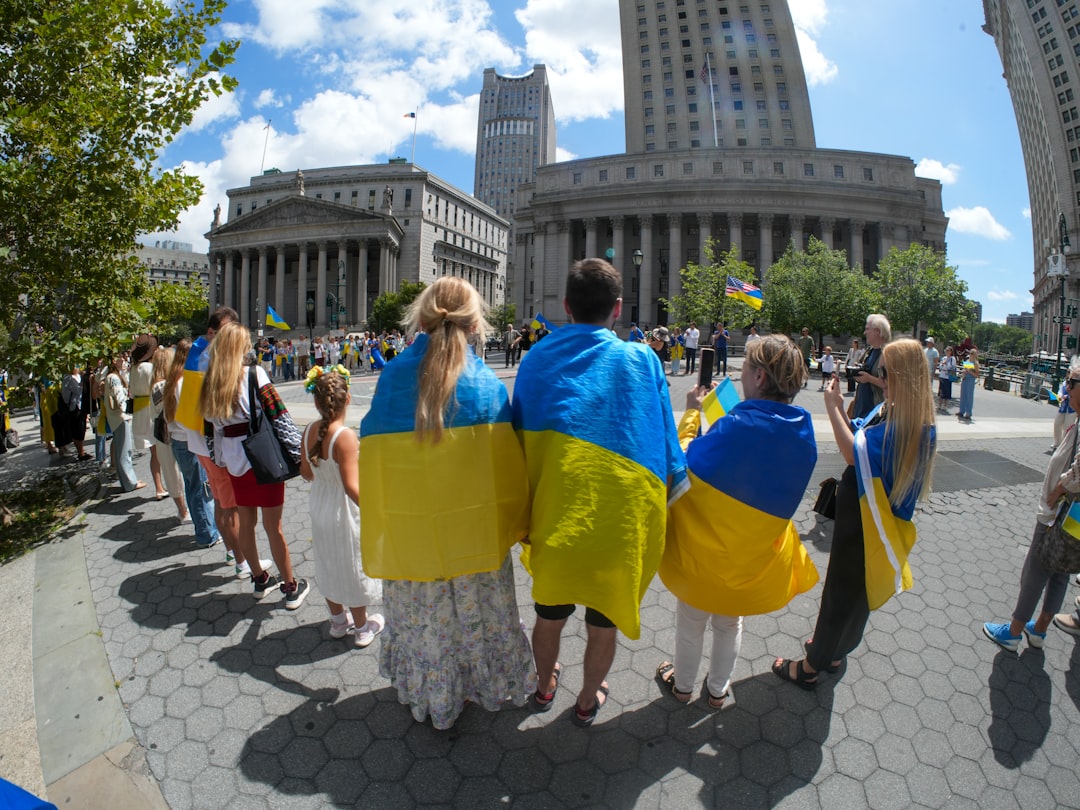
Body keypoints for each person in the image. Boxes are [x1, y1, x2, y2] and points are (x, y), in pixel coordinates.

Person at [513, 258, 687, 727]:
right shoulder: (642, 359)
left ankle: (544, 686)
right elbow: (663, 442)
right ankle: (588, 700)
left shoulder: (536, 360)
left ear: (566, 306)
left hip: (556, 517)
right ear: (618, 308)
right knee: (602, 625)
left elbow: (518, 447)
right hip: (618, 526)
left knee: (548, 616)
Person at [360, 277, 534, 730]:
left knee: (427, 626)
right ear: (476, 323)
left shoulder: (394, 375)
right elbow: (508, 474)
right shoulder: (487, 384)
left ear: (420, 318)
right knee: (476, 621)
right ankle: (480, 686)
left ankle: (430, 694)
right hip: (475, 544)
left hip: (414, 542)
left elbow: (375, 460)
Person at [657, 335, 818, 707]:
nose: (740, 373)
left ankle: (682, 687)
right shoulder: (804, 437)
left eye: (744, 366)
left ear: (759, 377)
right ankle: (717, 691)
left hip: (703, 559)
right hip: (750, 562)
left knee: (691, 624)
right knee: (730, 625)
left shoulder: (734, 426)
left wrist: (694, 413)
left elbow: (680, 465)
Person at [772, 338, 936, 689]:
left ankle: (811, 667)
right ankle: (834, 652)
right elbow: (862, 430)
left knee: (840, 594)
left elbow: (852, 452)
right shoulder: (912, 419)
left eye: (885, 373)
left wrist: (832, 406)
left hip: (865, 523)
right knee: (857, 596)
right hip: (878, 524)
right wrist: (847, 415)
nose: (880, 378)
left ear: (902, 378)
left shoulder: (903, 427)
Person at [202, 322, 308, 608]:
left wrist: (218, 459)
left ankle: (260, 580)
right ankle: (291, 586)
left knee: (247, 523)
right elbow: (279, 416)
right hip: (261, 457)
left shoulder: (210, 381)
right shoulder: (254, 374)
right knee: (275, 527)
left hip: (233, 460)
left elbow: (208, 430)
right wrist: (301, 454)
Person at [983, 359, 1080, 651]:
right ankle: (1038, 630)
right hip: (1073, 515)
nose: (1066, 389)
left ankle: (1012, 632)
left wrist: (1059, 488)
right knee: (1061, 567)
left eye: (1071, 383)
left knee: (1036, 568)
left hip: (1060, 510)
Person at [301, 365, 383, 648]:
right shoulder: (345, 436)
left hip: (320, 506)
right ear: (347, 399)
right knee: (351, 565)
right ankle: (362, 627)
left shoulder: (309, 430)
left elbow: (306, 473)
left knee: (327, 562)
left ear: (316, 401)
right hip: (343, 511)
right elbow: (351, 486)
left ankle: (338, 622)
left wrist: (324, 475)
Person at [163, 340, 220, 549]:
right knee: (201, 489)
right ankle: (207, 533)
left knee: (192, 486)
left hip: (178, 441)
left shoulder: (172, 382)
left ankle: (204, 528)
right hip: (189, 441)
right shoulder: (183, 383)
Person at [150, 347, 188, 522]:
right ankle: (184, 510)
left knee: (171, 472)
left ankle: (183, 510)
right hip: (169, 432)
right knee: (174, 472)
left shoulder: (157, 385)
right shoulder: (163, 385)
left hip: (163, 433)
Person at [130, 334, 166, 498]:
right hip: (150, 410)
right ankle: (160, 487)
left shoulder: (134, 369)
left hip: (139, 410)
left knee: (155, 453)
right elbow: (158, 386)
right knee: (159, 452)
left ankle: (159, 486)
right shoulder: (148, 368)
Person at [104, 354, 145, 492]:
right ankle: (130, 482)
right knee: (124, 451)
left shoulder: (113, 376)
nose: (124, 360)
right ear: (113, 361)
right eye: (120, 358)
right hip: (121, 417)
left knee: (121, 449)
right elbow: (119, 397)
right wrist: (127, 410)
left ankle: (127, 480)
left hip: (117, 417)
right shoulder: (114, 378)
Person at [852, 314, 891, 420]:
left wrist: (869, 378)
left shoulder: (888, 353)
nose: (865, 333)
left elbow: (890, 384)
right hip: (861, 406)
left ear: (877, 331)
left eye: (867, 329)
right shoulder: (869, 351)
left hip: (876, 410)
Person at [59, 363, 91, 461]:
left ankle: (81, 450)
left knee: (82, 428)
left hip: (82, 405)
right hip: (74, 407)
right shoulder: (68, 378)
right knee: (78, 429)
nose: (76, 368)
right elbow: (72, 392)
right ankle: (80, 452)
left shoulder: (79, 376)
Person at [958, 347, 980, 423]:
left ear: (975, 355)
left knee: (969, 396)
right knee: (963, 395)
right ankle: (961, 411)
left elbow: (977, 375)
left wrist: (970, 371)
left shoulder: (976, 363)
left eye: (972, 353)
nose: (971, 355)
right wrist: (964, 372)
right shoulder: (967, 361)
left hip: (971, 379)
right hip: (965, 379)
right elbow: (965, 370)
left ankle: (968, 413)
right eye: (970, 353)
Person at [937, 346, 957, 413]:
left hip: (948, 376)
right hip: (942, 375)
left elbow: (952, 367)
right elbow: (940, 366)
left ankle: (945, 406)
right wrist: (942, 364)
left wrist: (946, 365)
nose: (947, 352)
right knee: (941, 391)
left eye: (948, 350)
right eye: (946, 350)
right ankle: (940, 405)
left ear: (951, 351)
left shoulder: (953, 359)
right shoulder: (944, 358)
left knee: (947, 391)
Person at [1054, 377, 1071, 449]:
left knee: (1067, 426)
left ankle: (1064, 445)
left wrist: (1067, 396)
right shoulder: (1065, 382)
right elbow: (1060, 391)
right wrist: (1060, 396)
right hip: (1063, 406)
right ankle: (1057, 442)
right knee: (1057, 423)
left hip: (1072, 408)